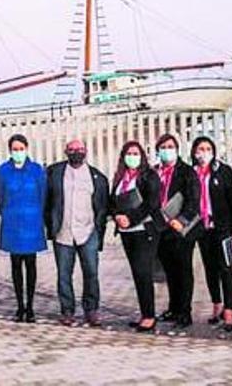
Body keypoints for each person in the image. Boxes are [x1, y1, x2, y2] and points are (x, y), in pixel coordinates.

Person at [45, 139, 109, 327]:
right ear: (66, 151)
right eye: (72, 149)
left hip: (88, 231)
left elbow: (102, 206)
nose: (76, 152)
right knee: (64, 274)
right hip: (63, 232)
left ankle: (91, 310)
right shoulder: (55, 173)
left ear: (86, 151)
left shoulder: (97, 176)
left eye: (80, 149)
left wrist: (99, 229)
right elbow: (47, 201)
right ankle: (67, 310)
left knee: (91, 272)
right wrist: (49, 224)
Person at [111, 140, 165, 333]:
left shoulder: (149, 176)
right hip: (127, 232)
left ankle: (150, 316)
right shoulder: (120, 177)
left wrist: (130, 218)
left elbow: (151, 203)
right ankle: (144, 313)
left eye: (136, 153)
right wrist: (116, 215)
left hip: (144, 231)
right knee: (137, 273)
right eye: (128, 153)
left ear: (142, 156)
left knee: (144, 272)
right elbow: (113, 200)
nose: (132, 157)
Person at [191, 136, 232, 332]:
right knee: (210, 268)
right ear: (194, 152)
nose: (203, 152)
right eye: (200, 149)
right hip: (202, 228)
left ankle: (230, 311)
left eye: (207, 148)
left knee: (225, 268)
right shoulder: (192, 173)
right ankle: (216, 305)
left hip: (222, 227)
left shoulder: (223, 171)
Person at [0, 134, 47, 323]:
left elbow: (43, 196)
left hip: (32, 223)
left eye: (21, 149)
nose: (18, 152)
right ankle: (19, 306)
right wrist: (8, 212)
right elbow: (0, 197)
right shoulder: (3, 171)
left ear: (26, 149)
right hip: (12, 223)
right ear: (10, 150)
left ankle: (30, 306)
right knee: (16, 265)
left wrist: (36, 214)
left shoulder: (36, 170)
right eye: (15, 149)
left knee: (31, 264)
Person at [153, 134, 201, 329]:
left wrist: (181, 220)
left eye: (170, 146)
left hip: (181, 228)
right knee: (170, 270)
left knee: (183, 270)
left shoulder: (187, 172)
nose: (167, 149)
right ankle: (173, 308)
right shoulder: (154, 172)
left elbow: (193, 199)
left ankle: (185, 311)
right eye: (163, 146)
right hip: (161, 227)